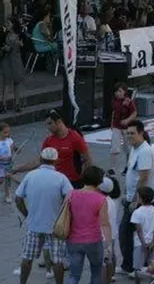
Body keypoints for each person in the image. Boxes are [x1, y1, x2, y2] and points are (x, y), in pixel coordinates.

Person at [14, 147, 73, 284]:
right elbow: (70, 199)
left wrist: (27, 214)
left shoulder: (30, 175)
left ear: (41, 159)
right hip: (55, 226)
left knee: (27, 258)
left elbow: (18, 199)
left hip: (34, 224)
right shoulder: (61, 178)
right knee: (57, 261)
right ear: (56, 161)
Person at [14, 110, 92, 188]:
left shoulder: (75, 138)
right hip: (56, 182)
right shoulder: (48, 141)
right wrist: (17, 169)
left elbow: (88, 160)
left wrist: (86, 181)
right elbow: (38, 161)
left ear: (59, 121)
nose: (48, 127)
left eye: (50, 123)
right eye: (46, 125)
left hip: (74, 182)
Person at [117, 121, 153, 274]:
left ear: (141, 133)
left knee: (127, 232)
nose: (129, 136)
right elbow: (131, 173)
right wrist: (126, 194)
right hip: (133, 198)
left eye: (132, 133)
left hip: (139, 200)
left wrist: (134, 201)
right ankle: (132, 265)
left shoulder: (144, 151)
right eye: (127, 133)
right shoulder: (134, 148)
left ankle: (132, 266)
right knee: (129, 234)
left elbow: (143, 177)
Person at [65, 166, 110, 284]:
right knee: (96, 272)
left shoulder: (71, 194)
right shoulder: (101, 199)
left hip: (73, 239)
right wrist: (108, 244)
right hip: (93, 240)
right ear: (99, 181)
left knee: (74, 276)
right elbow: (104, 223)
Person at [130, 186, 154, 276]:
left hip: (139, 243)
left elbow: (138, 230)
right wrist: (153, 241)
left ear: (140, 198)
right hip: (153, 243)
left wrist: (143, 243)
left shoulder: (137, 212)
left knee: (138, 268)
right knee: (152, 266)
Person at [107, 82, 137, 174]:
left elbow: (134, 113)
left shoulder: (129, 101)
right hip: (116, 126)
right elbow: (114, 112)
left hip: (127, 128)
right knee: (114, 148)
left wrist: (127, 120)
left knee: (128, 148)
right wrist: (112, 123)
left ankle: (128, 166)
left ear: (124, 92)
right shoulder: (114, 100)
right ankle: (112, 168)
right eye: (116, 91)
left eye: (120, 91)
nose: (118, 93)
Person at [1, 18, 25, 112]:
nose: (7, 24)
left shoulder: (16, 35)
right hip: (9, 60)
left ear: (13, 25)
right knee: (8, 83)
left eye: (9, 23)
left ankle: (15, 104)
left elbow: (20, 46)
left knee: (15, 83)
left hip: (15, 60)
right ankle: (5, 105)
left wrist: (10, 47)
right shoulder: (7, 34)